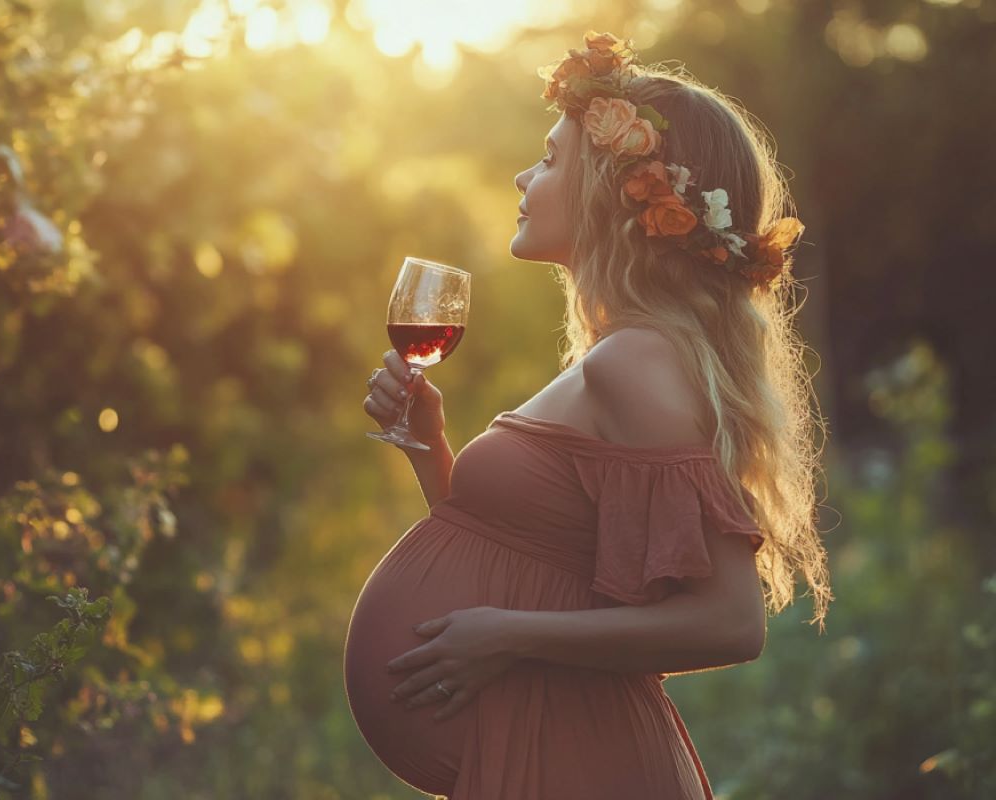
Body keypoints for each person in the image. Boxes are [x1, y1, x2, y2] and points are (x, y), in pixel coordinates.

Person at [345, 31, 833, 799]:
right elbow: (539, 565)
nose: (520, 176)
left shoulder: (637, 362)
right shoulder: (621, 357)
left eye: (546, 160)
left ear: (612, 188)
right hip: (552, 743)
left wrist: (506, 636)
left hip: (579, 756)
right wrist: (429, 450)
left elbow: (731, 622)